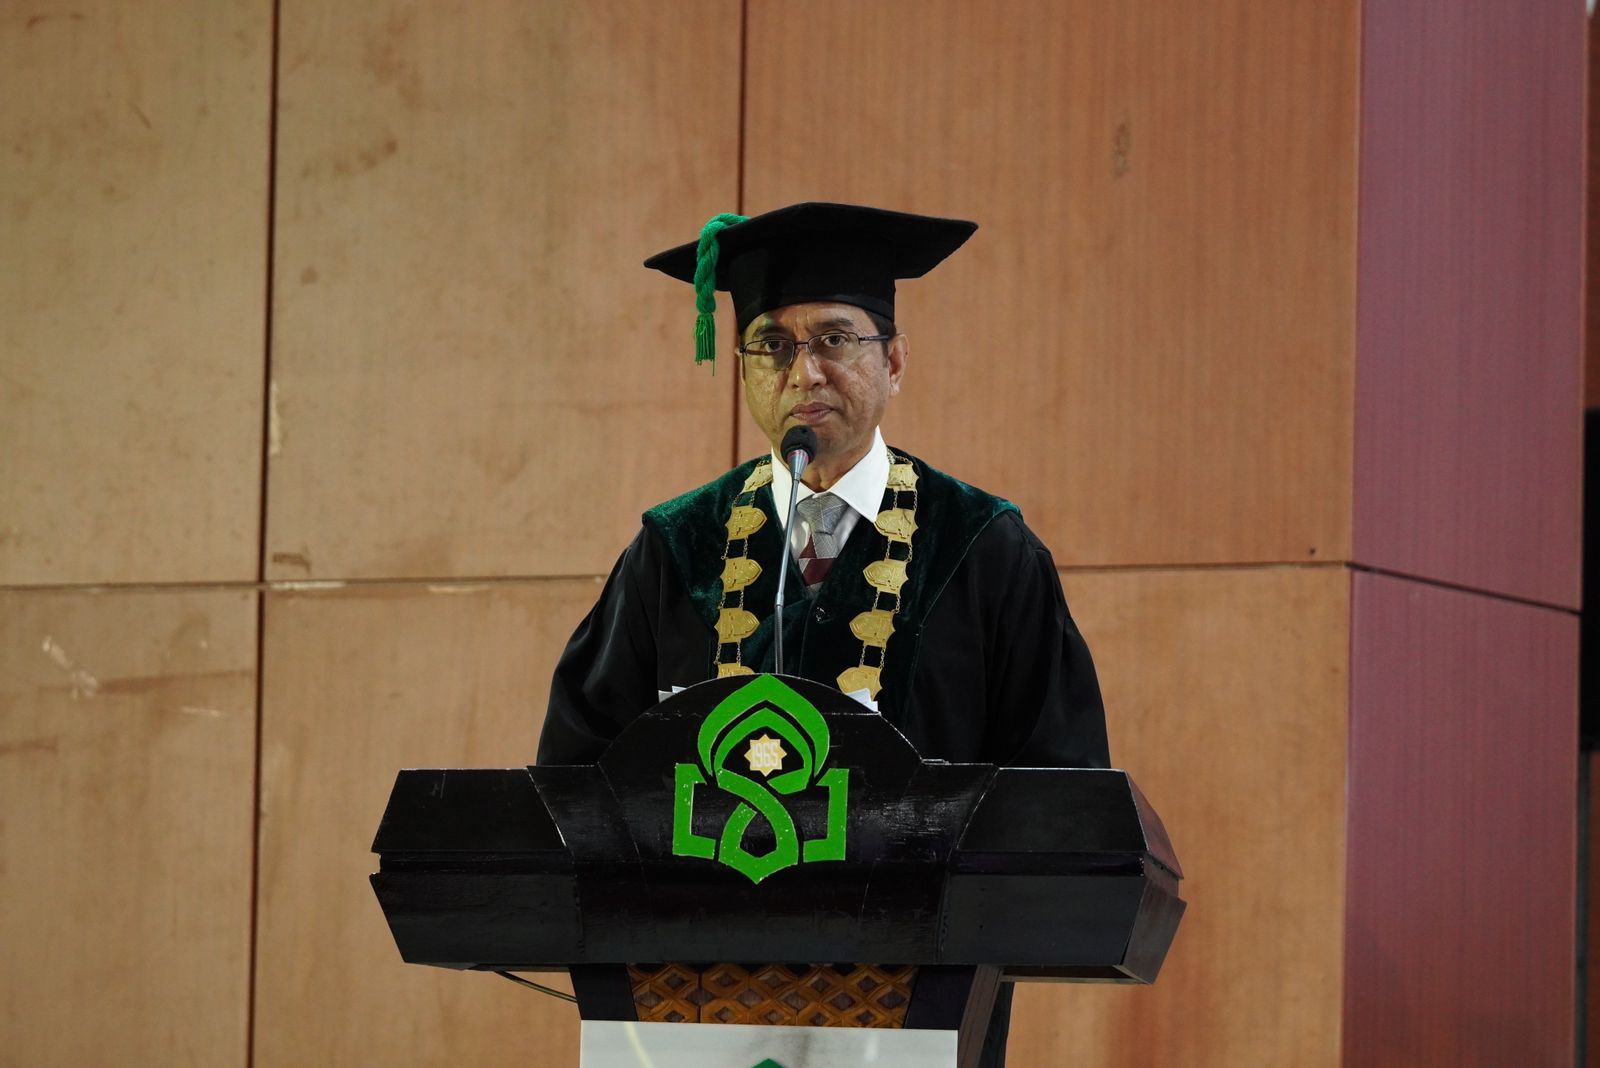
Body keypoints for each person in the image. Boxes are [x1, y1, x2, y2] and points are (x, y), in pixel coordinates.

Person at [538, 202, 1109, 1065]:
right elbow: (573, 776)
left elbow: (1061, 791)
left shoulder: (983, 548)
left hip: (918, 1000)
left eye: (836, 339)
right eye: (772, 344)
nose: (804, 370)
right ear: (744, 371)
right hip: (692, 998)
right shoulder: (676, 547)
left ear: (894, 360)